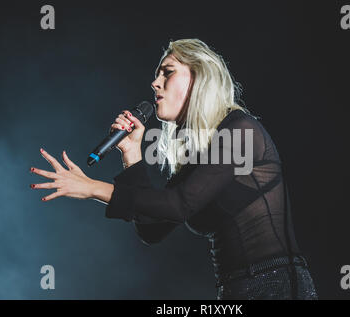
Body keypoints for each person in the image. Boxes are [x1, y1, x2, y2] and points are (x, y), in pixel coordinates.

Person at [30, 39, 318, 300]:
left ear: (200, 77)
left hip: (276, 286)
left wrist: (93, 187)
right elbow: (152, 228)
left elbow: (179, 205)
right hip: (234, 290)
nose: (155, 83)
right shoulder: (201, 153)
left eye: (167, 72)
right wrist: (132, 153)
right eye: (157, 75)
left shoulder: (241, 131)